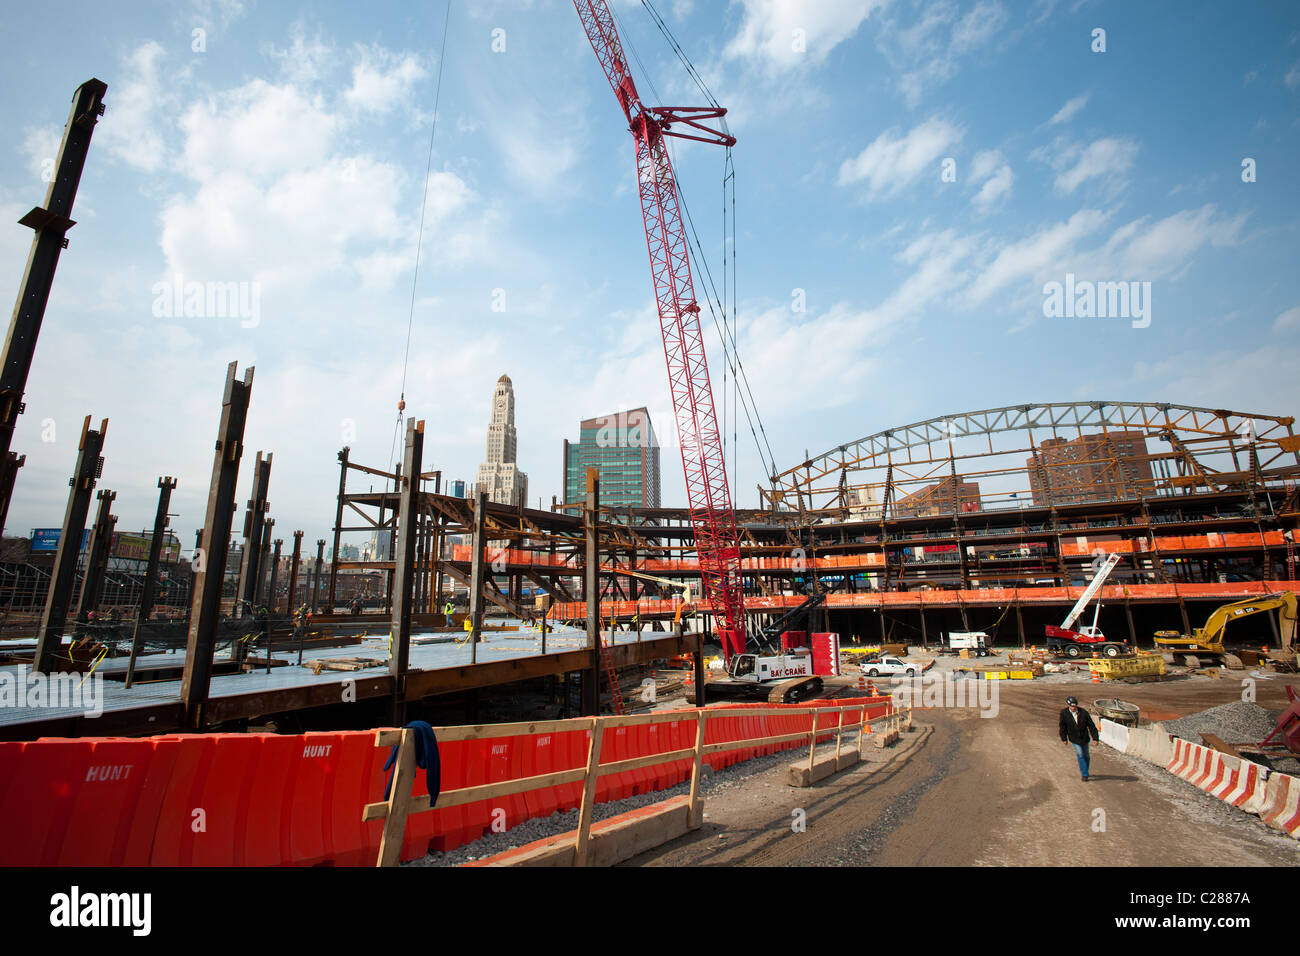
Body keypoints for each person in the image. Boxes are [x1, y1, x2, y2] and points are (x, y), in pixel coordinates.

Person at [1059, 695, 1100, 781]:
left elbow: (1091, 726)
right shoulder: (1064, 713)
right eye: (1072, 706)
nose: (1073, 708)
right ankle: (1085, 774)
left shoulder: (1084, 713)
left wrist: (1095, 738)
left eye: (1075, 706)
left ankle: (1085, 770)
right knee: (1080, 754)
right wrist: (1064, 738)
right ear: (1068, 705)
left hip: (1084, 738)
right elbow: (1062, 726)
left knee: (1087, 755)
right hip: (1074, 738)